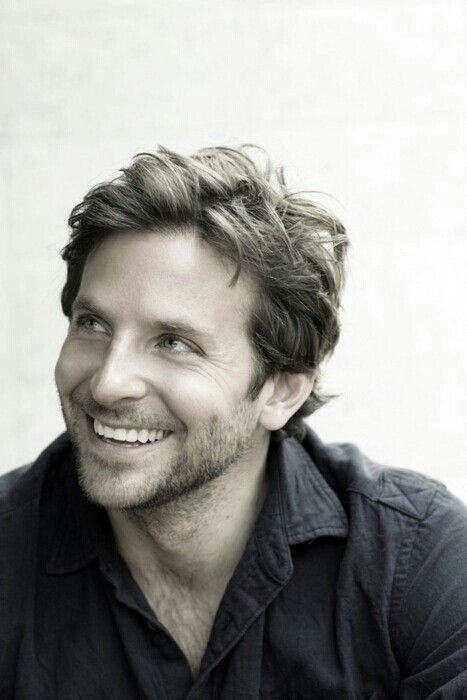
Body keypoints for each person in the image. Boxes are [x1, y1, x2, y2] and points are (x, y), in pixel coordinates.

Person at [1, 145, 466, 699]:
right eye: (93, 325)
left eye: (174, 343)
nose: (107, 383)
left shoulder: (417, 564)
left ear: (282, 390)